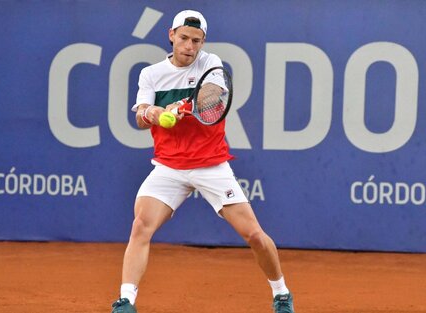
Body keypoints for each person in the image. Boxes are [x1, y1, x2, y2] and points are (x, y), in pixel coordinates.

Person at [111, 9, 295, 313]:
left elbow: (210, 98)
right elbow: (141, 117)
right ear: (171, 35)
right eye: (184, 38)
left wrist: (180, 106)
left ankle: (281, 293)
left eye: (196, 41)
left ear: (203, 42)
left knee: (254, 235)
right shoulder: (151, 74)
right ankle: (126, 301)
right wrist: (154, 113)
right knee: (141, 225)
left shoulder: (210, 63)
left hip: (211, 165)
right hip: (168, 167)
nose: (189, 46)